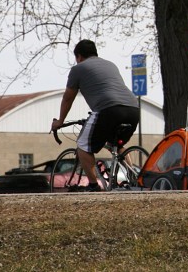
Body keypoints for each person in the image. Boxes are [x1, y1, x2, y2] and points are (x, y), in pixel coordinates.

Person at [51, 39, 140, 191]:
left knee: (83, 146)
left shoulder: (78, 69)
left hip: (108, 110)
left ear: (78, 56)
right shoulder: (110, 64)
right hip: (133, 108)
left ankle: (93, 185)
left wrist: (60, 121)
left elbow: (68, 97)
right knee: (117, 145)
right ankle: (134, 179)